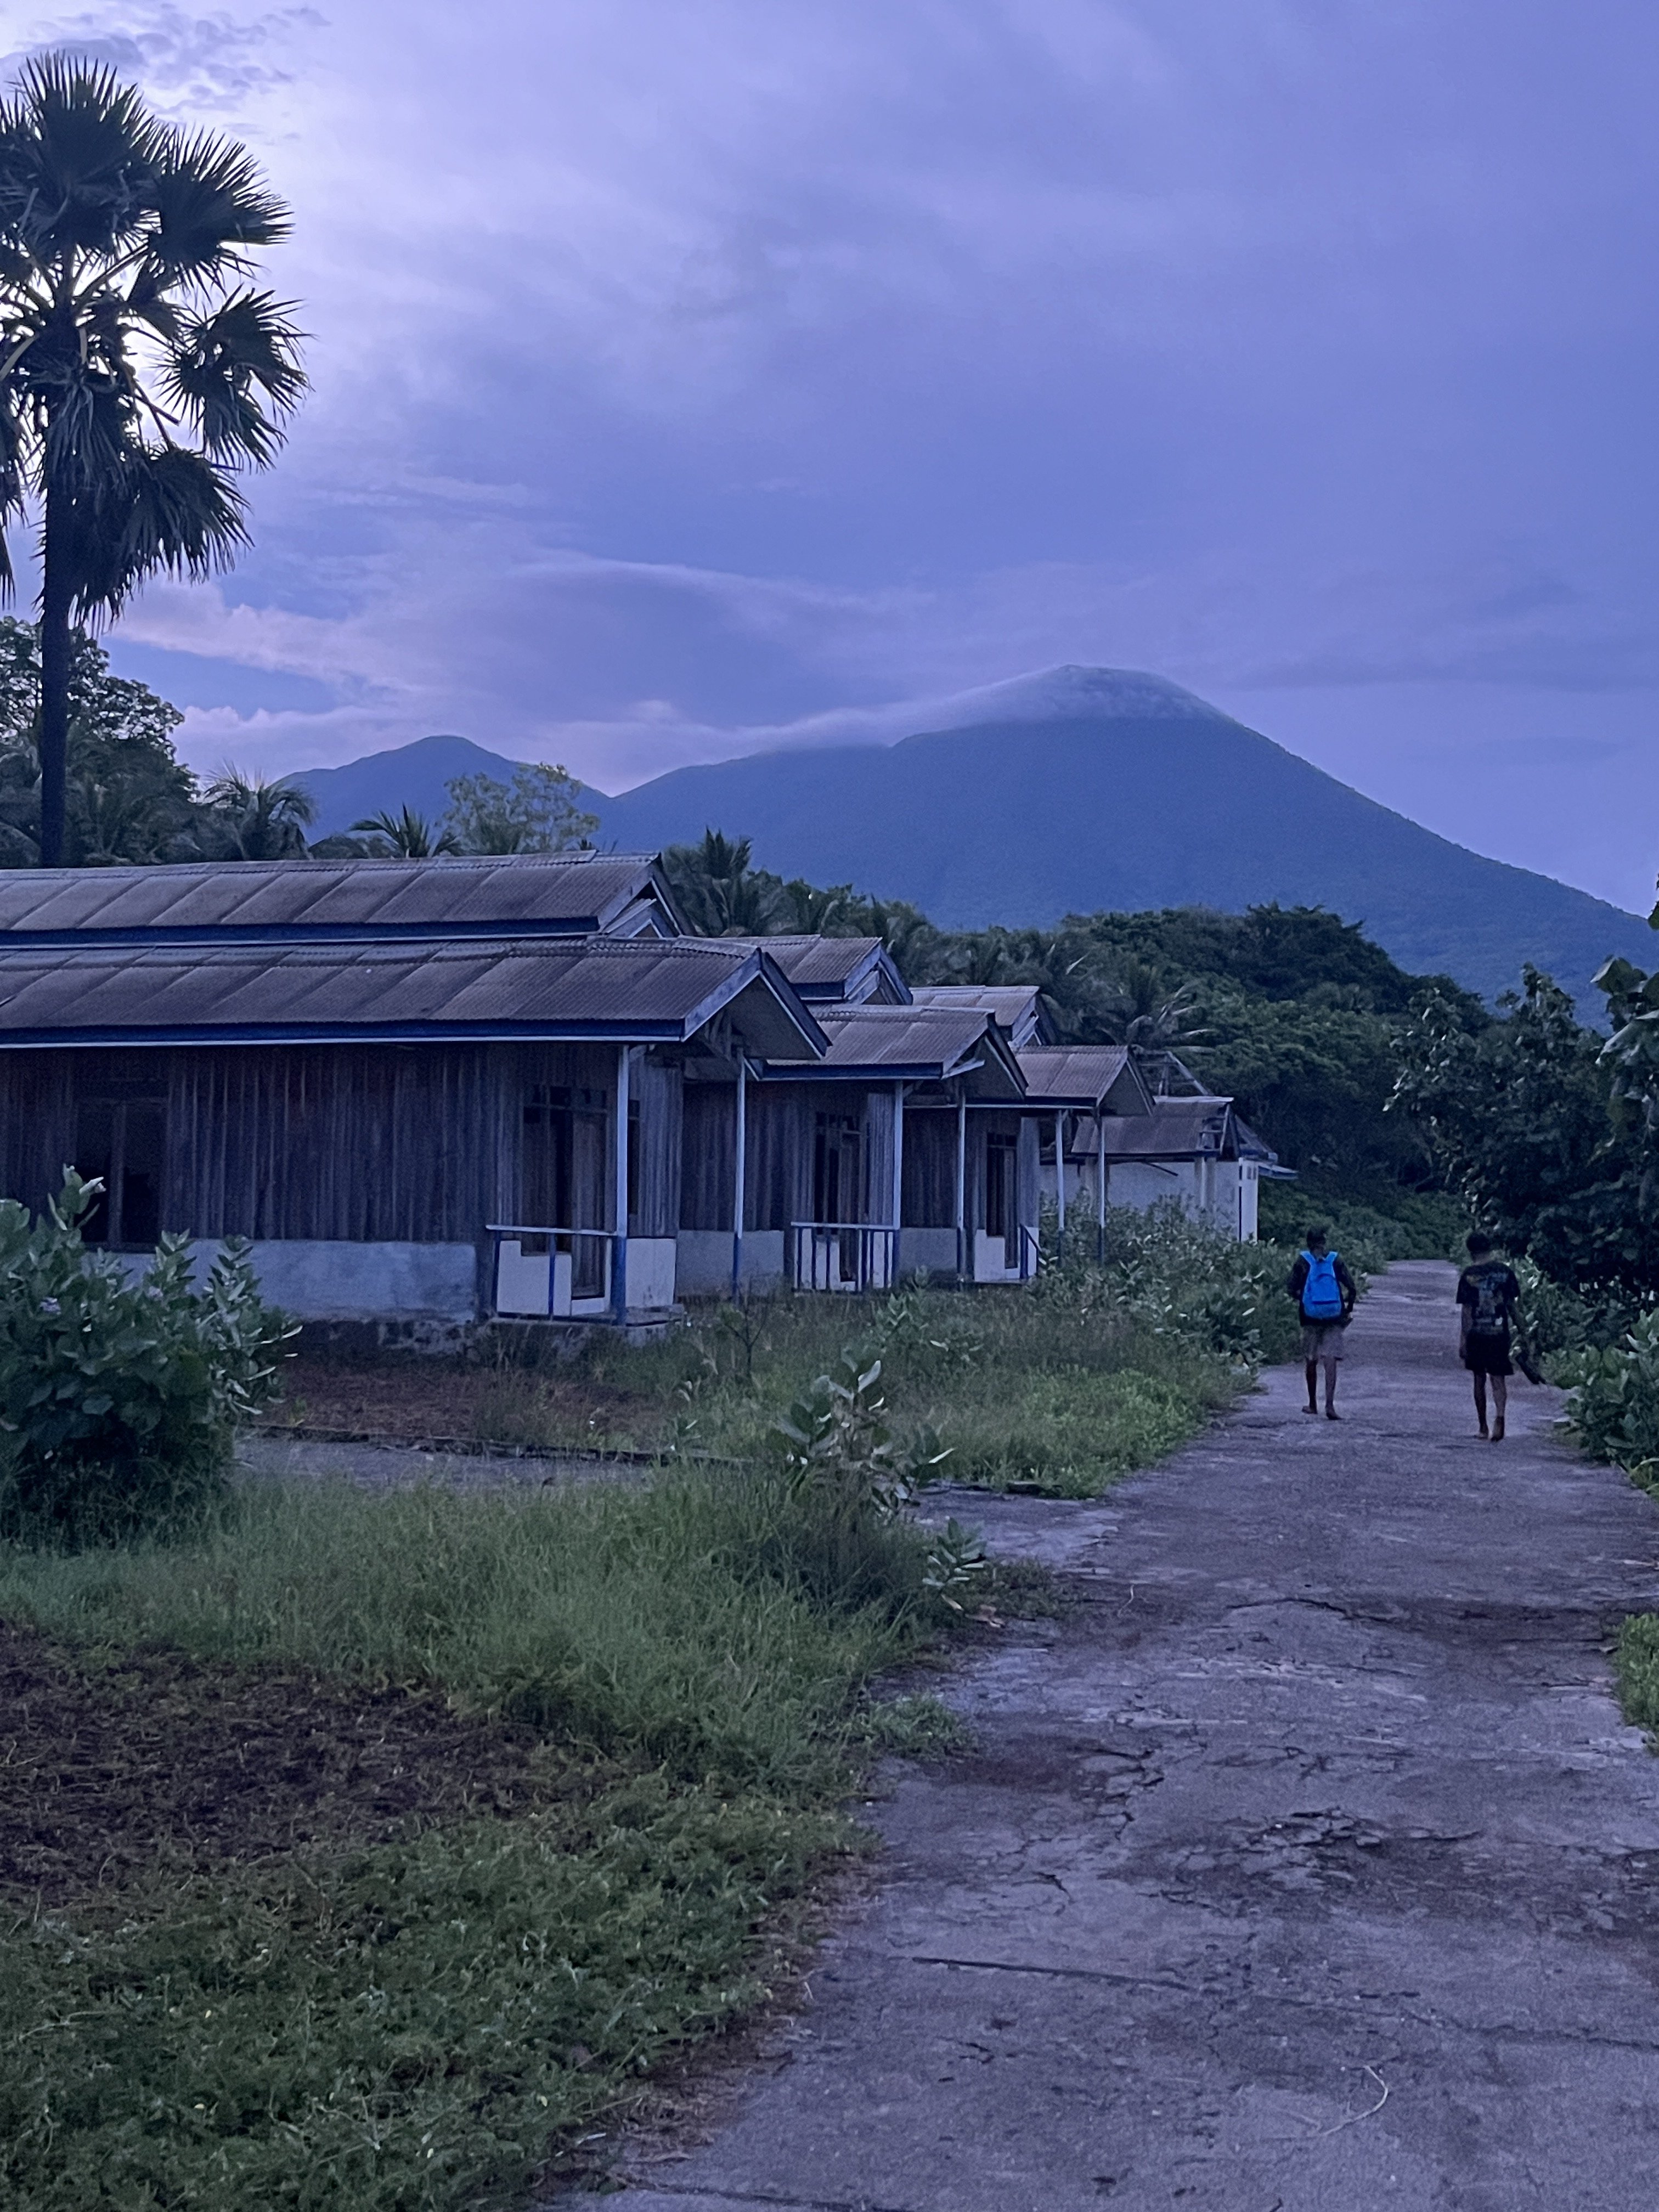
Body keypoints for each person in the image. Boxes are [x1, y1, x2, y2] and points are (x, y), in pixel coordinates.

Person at [1286, 1227, 1356, 1420]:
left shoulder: (1303, 1261)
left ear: (1308, 1243)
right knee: (1330, 1358)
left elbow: (1291, 1288)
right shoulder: (1335, 1260)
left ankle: (1312, 1404)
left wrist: (1305, 1300)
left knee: (1311, 1358)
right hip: (1334, 1316)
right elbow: (1352, 1287)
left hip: (1310, 1318)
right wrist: (1347, 1309)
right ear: (1324, 1242)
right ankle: (1330, 1405)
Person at [1457, 1232, 1522, 1440]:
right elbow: (1512, 1306)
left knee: (1479, 1379)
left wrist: (1463, 1340)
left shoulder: (1468, 1275)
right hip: (1499, 1333)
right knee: (1498, 1378)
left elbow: (1467, 1311)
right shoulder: (1505, 1272)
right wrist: (1523, 1332)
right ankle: (1500, 1418)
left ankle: (1483, 1426)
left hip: (1477, 1334)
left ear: (1471, 1251)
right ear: (1490, 1248)